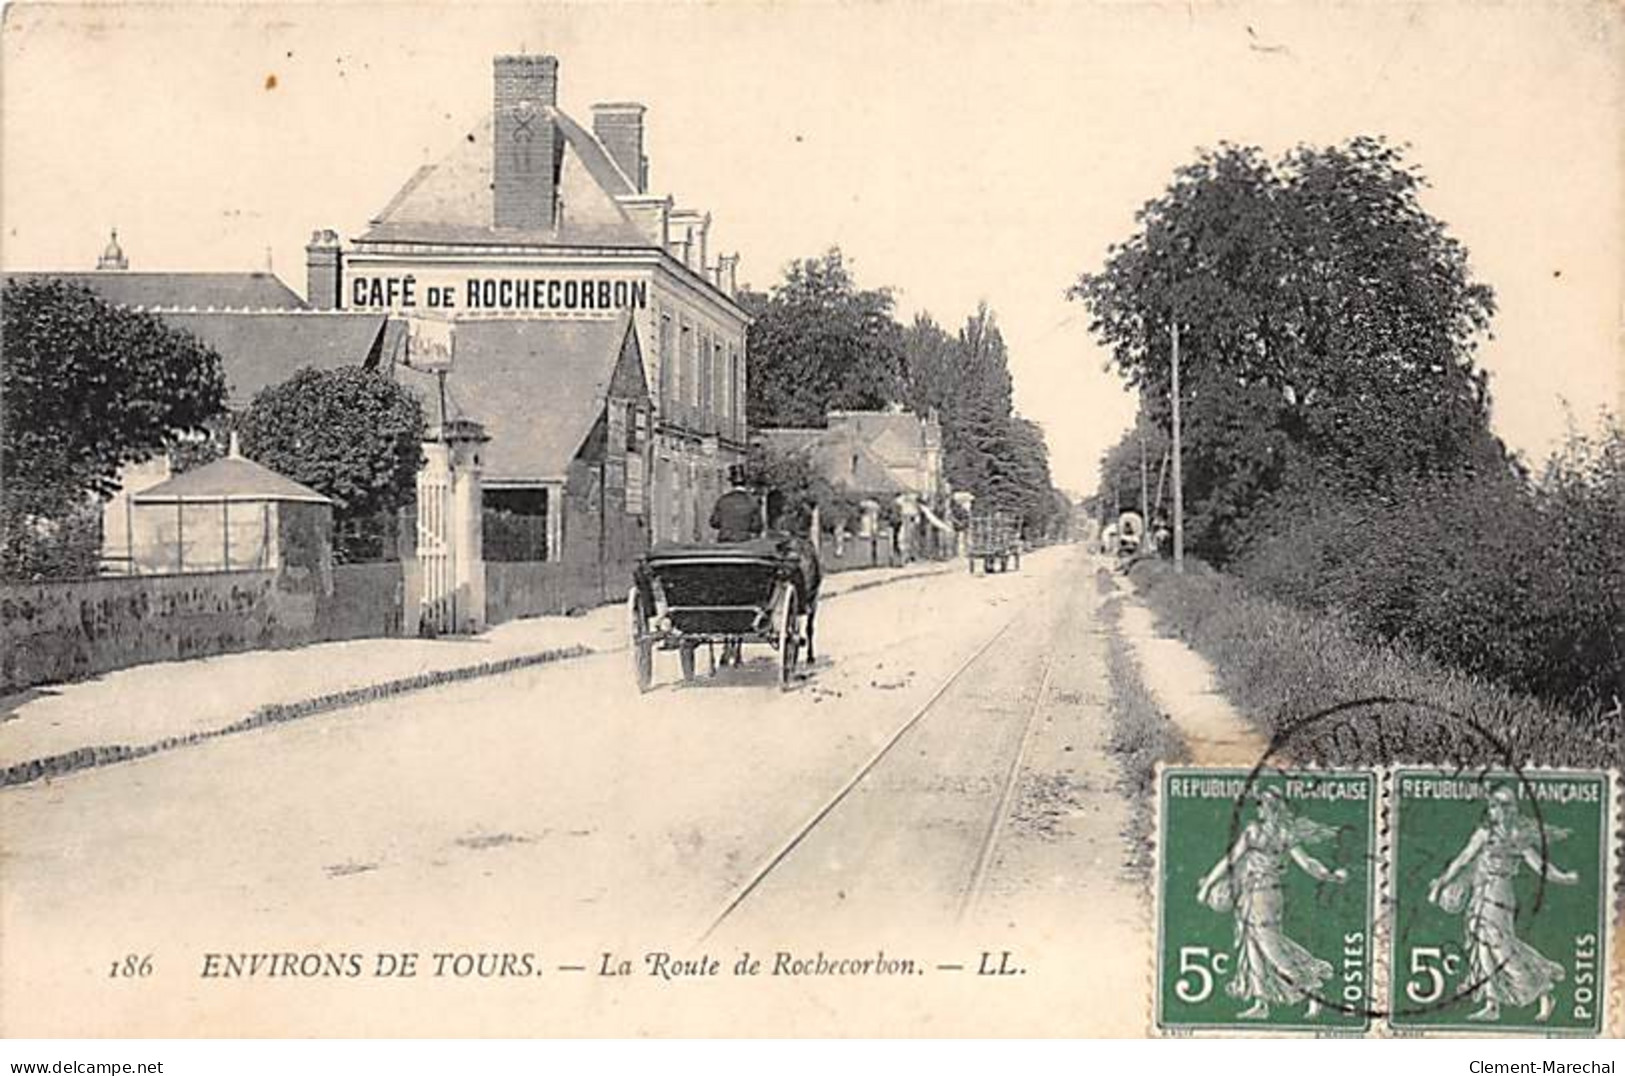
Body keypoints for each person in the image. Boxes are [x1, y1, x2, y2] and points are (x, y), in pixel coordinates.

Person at [1427, 785, 1578, 1023]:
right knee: (1483, 947)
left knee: (1502, 948)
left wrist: (1564, 877)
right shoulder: (1483, 834)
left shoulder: (1518, 837)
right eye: (1494, 806)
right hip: (1480, 894)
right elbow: (1462, 860)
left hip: (1500, 895)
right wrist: (1439, 885)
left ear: (1513, 809)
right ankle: (1492, 1004)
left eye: (1504, 806)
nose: (1499, 811)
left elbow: (1540, 866)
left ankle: (1543, 989)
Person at [1197, 788, 1348, 1020]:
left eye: (1261, 804)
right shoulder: (1284, 833)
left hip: (1261, 896)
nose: (1258, 809)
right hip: (1263, 894)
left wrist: (1208, 886)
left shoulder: (1255, 833)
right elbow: (1308, 863)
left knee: (1270, 947)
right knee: (1253, 946)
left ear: (1270, 807)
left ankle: (1313, 994)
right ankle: (1261, 1003)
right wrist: (1330, 875)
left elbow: (1230, 860)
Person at [710, 466, 762, 543]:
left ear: (731, 483)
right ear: (746, 482)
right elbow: (757, 526)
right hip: (744, 541)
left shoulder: (723, 500)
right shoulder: (752, 501)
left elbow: (714, 522)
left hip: (725, 540)